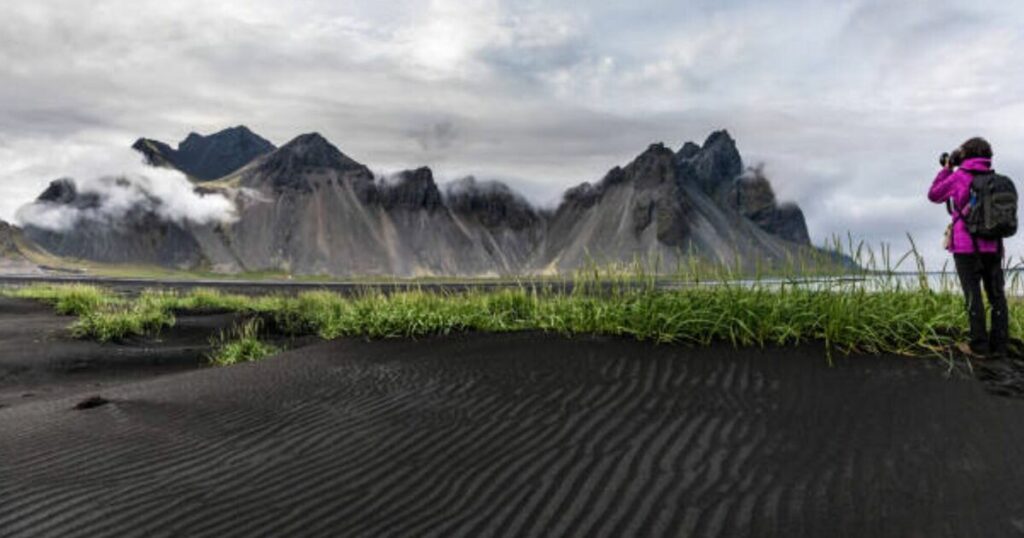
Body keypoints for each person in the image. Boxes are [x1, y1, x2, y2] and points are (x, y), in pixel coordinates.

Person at [928, 137, 1008, 358]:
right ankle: (1000, 346)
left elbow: (934, 194)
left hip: (966, 248)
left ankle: (979, 346)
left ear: (966, 155)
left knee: (973, 296)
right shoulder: (995, 179)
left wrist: (947, 169)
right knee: (997, 296)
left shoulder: (959, 177)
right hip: (994, 247)